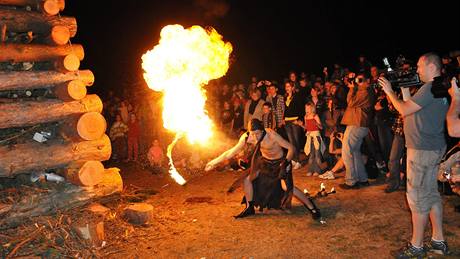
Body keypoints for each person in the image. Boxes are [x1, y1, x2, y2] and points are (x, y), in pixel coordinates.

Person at [379, 53, 450, 258]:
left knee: (417, 198)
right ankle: (438, 241)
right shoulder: (437, 86)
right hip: (432, 146)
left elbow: (402, 109)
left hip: (422, 150)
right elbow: (412, 111)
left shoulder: (429, 88)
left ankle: (416, 246)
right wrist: (403, 87)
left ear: (430, 66)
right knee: (431, 194)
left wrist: (389, 92)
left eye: (419, 66)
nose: (417, 70)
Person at [204, 119, 321, 220]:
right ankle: (249, 208)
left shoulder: (271, 135)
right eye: (252, 134)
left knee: (287, 187)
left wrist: (286, 163)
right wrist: (214, 162)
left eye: (257, 133)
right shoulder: (247, 137)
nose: (255, 137)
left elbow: (291, 148)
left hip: (280, 163)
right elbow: (231, 152)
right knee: (246, 180)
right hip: (265, 163)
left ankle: (312, 207)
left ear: (262, 130)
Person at [339, 72, 375, 189]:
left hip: (357, 124)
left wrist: (351, 89)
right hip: (359, 125)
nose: (358, 82)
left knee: (346, 152)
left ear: (367, 81)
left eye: (361, 80)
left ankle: (351, 180)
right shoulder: (363, 90)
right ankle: (362, 178)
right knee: (355, 152)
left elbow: (350, 102)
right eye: (357, 80)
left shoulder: (364, 91)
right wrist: (353, 86)